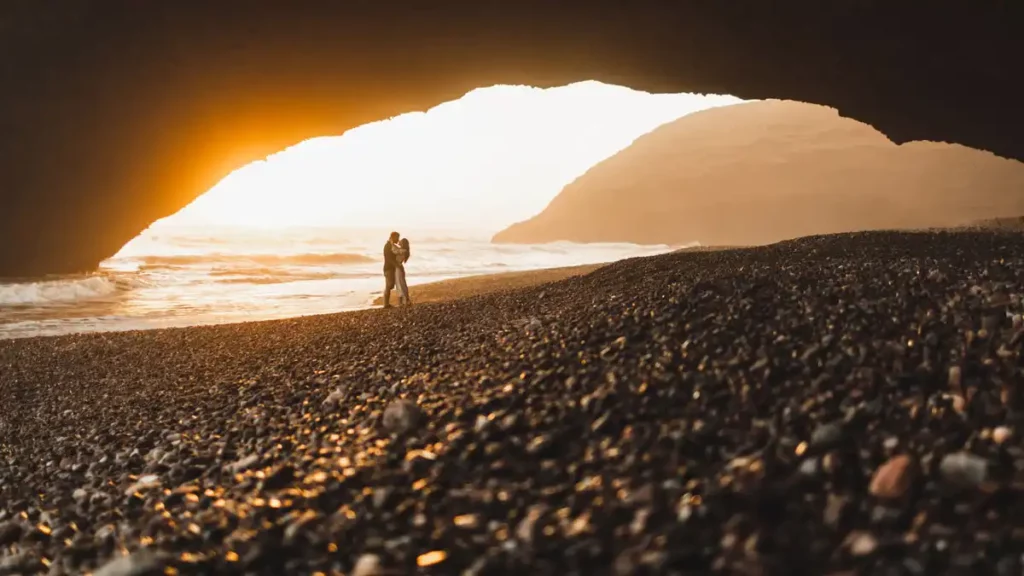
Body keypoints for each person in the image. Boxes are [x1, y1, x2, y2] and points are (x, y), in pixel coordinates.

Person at [382, 231, 400, 308]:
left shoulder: (392, 245)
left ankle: (386, 304)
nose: (398, 239)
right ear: (393, 237)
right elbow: (388, 258)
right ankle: (386, 304)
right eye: (397, 237)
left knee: (391, 285)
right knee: (389, 286)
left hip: (392, 268)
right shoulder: (387, 246)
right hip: (388, 268)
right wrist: (396, 265)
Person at [395, 237, 412, 306]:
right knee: (401, 284)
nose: (399, 242)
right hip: (399, 267)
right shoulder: (404, 250)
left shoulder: (403, 250)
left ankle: (404, 301)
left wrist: (393, 243)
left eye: (401, 242)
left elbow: (395, 250)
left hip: (398, 268)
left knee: (400, 285)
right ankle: (403, 301)